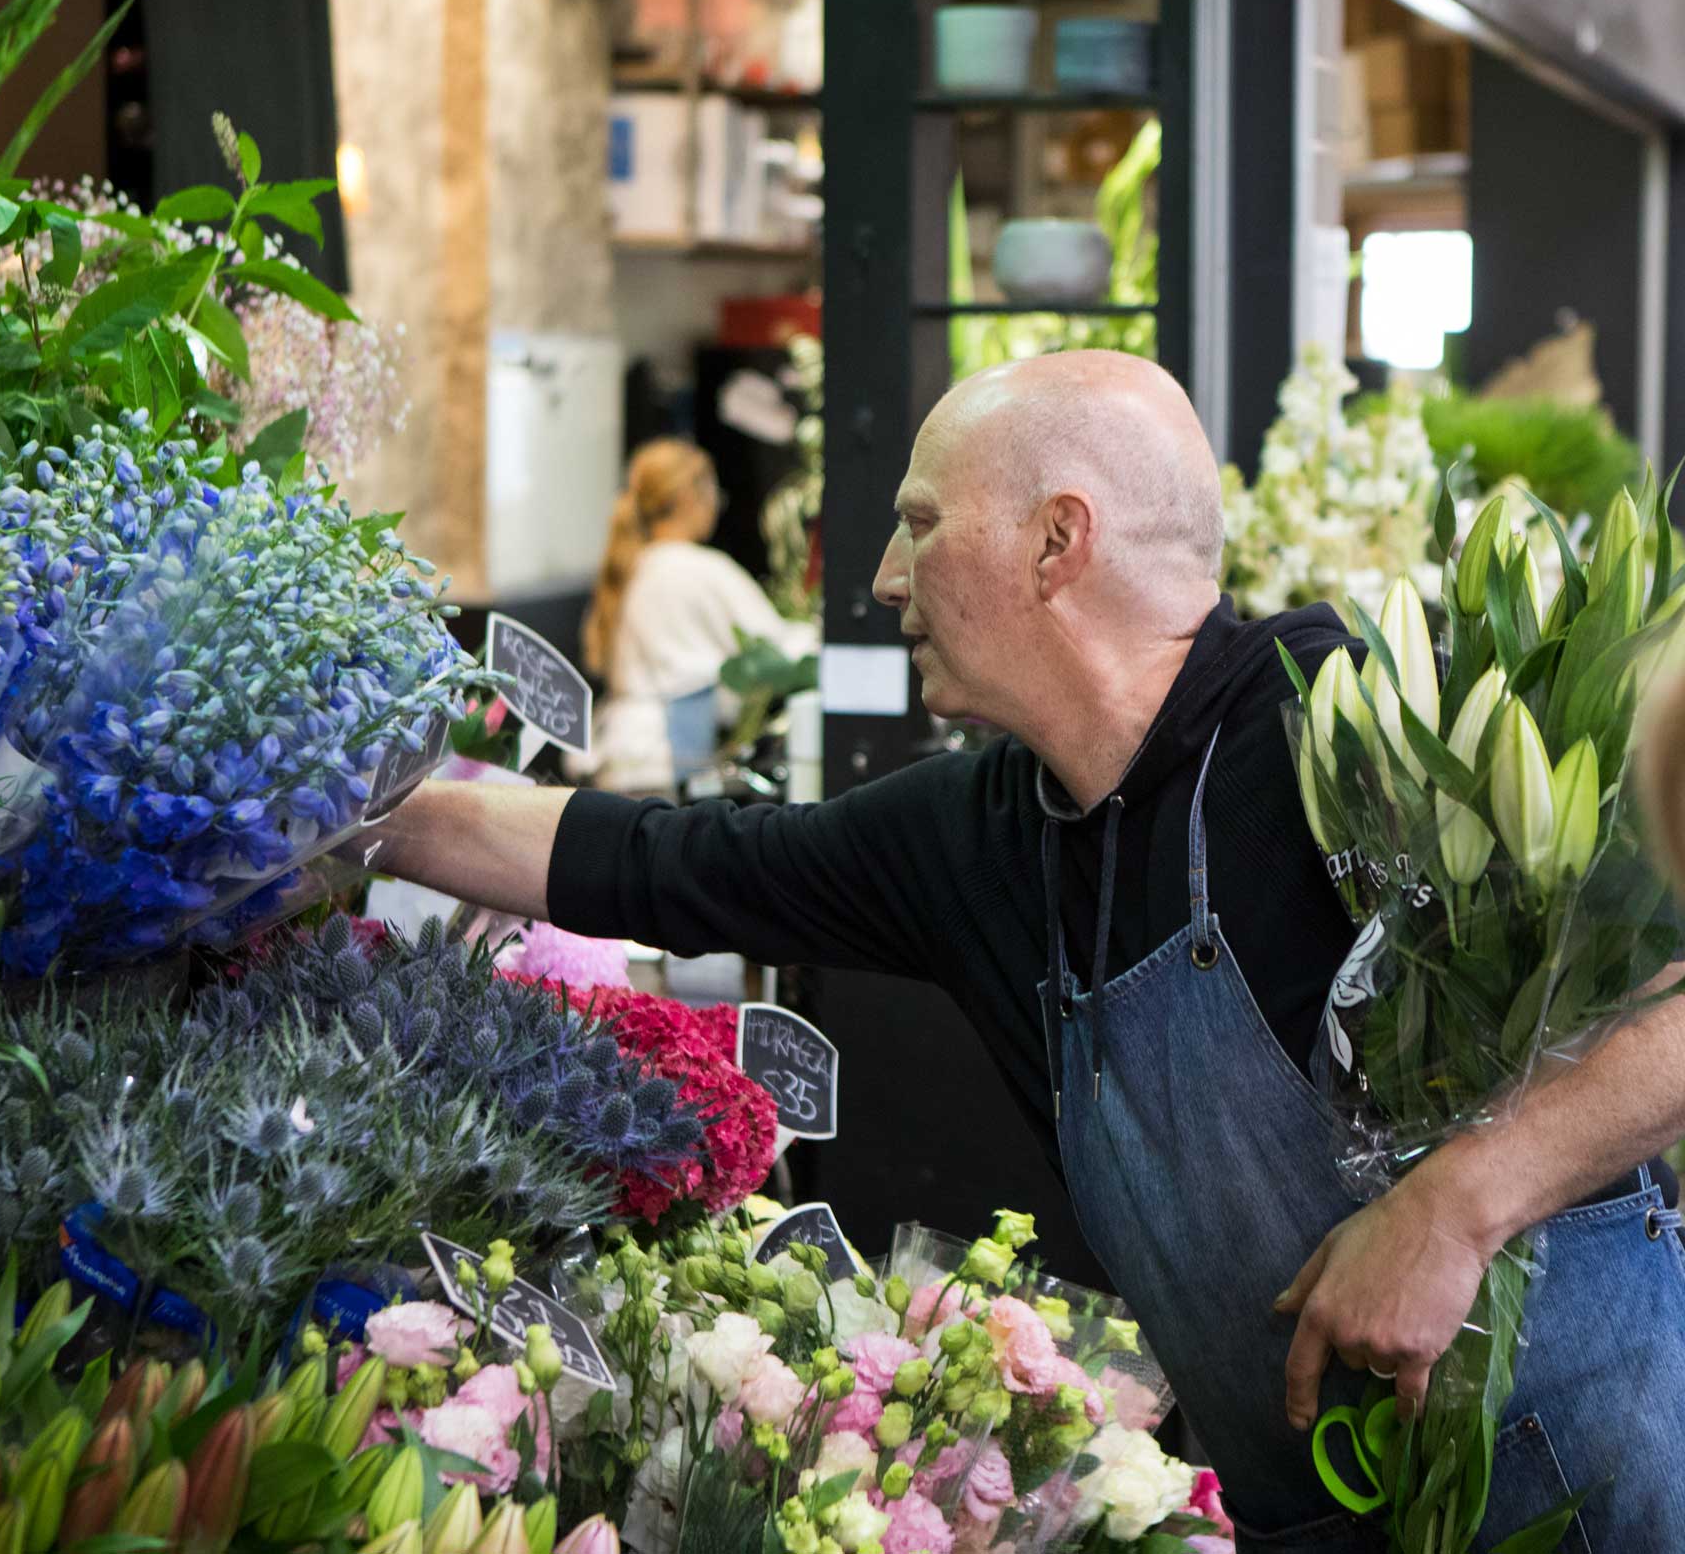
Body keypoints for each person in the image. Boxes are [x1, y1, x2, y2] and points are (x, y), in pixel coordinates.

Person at [369, 352, 1685, 1549]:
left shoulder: (1347, 720)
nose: (885, 575)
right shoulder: (985, 835)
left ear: (1061, 541)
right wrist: (342, 812)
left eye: (922, 522)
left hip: (1609, 1477)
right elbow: (663, 856)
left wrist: (1457, 1204)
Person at [576, 439, 817, 795]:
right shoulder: (701, 569)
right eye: (713, 491)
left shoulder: (636, 566)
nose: (717, 504)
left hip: (619, 758)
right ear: (691, 496)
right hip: (669, 762)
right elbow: (777, 645)